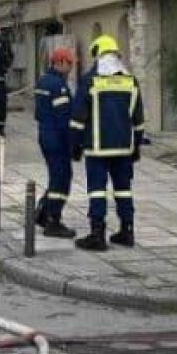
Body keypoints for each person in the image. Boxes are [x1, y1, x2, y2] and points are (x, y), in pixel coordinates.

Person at [69, 35, 144, 252]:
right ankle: (127, 231)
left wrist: (75, 146)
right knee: (123, 189)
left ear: (98, 55)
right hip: (124, 148)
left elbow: (77, 118)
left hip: (96, 148)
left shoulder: (90, 80)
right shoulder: (131, 81)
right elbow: (138, 120)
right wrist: (136, 146)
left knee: (97, 190)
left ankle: (97, 234)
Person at [33, 47, 76, 239]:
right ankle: (53, 221)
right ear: (60, 62)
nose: (71, 68)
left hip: (44, 134)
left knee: (55, 174)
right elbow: (63, 119)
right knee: (62, 177)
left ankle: (43, 211)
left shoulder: (42, 80)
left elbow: (38, 113)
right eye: (69, 64)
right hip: (57, 139)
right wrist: (73, 143)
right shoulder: (59, 86)